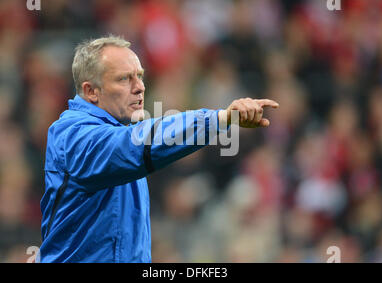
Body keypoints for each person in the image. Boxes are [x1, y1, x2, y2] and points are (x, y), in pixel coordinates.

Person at [39, 35, 279, 263]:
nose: (139, 87)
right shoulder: (72, 135)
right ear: (91, 91)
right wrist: (220, 119)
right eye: (124, 79)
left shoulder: (123, 128)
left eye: (140, 76)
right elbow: (135, 145)